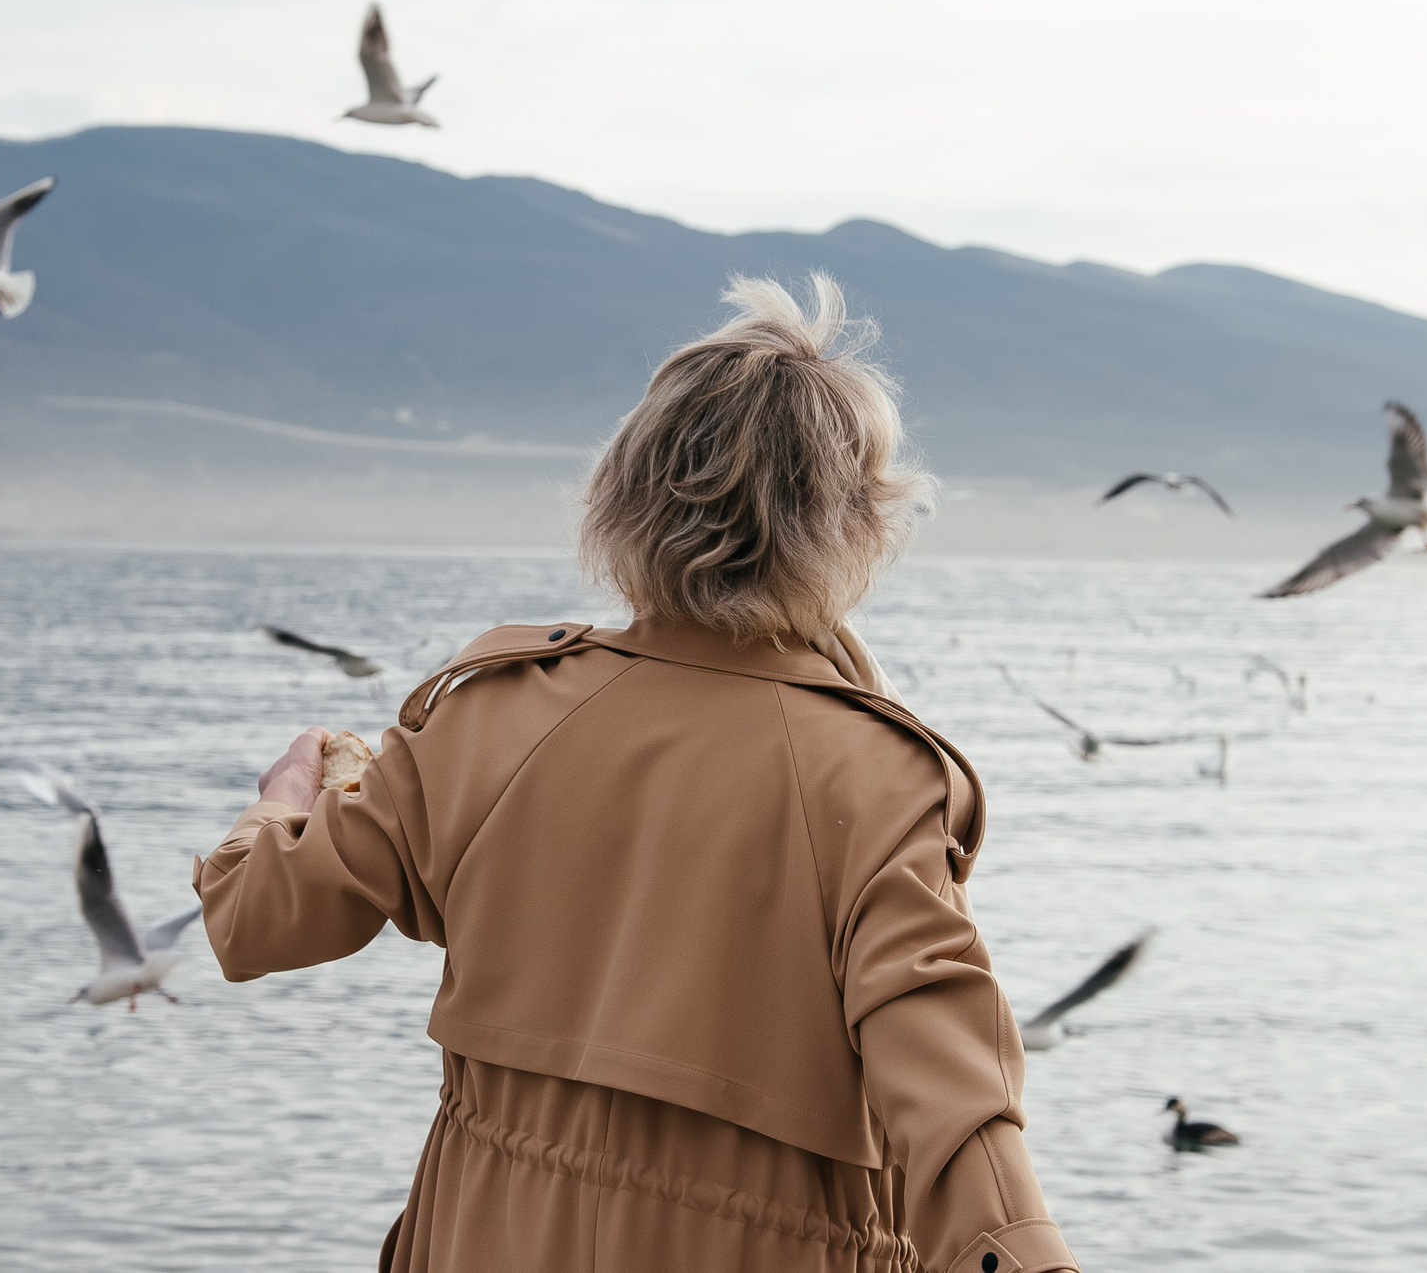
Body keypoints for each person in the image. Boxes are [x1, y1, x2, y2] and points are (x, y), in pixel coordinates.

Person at [193, 275, 1077, 1273]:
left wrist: (280, 802)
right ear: (861, 522)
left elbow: (255, 919)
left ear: (622, 490)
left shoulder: (488, 711)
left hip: (485, 1230)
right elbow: (952, 1091)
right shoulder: (871, 777)